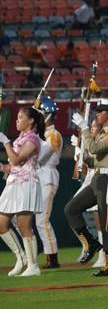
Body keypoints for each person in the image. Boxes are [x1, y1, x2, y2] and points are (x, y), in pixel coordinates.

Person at [65, 99, 108, 276]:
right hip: (98, 178)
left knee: (107, 223)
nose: (97, 114)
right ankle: (90, 243)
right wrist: (82, 157)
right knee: (71, 209)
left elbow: (95, 148)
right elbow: (94, 158)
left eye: (101, 111)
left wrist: (84, 129)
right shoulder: (102, 133)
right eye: (97, 111)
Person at [0, 107, 45, 277]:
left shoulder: (32, 139)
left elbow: (17, 160)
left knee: (24, 225)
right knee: (1, 223)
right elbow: (13, 166)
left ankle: (33, 266)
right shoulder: (21, 138)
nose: (17, 120)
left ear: (31, 121)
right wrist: (2, 167)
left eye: (20, 118)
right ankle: (22, 258)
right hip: (14, 183)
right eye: (17, 117)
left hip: (27, 184)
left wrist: (5, 142)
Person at [36, 97, 62, 269]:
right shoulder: (42, 134)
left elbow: (40, 157)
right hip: (38, 177)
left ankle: (52, 258)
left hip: (47, 176)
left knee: (42, 220)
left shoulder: (54, 135)